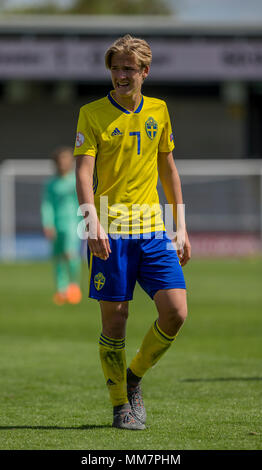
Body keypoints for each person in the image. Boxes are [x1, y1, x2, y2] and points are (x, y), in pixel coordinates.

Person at [74, 35, 191, 430]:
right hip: (109, 226)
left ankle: (134, 376)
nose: (120, 75)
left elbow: (168, 170)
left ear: (145, 71)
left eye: (128, 68)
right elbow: (83, 173)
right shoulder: (91, 113)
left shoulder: (160, 110)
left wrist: (181, 227)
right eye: (115, 68)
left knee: (176, 312)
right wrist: (91, 221)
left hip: (153, 229)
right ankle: (120, 404)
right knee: (116, 321)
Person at [41, 146, 82, 305]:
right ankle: (61, 289)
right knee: (58, 257)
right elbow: (47, 205)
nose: (63, 163)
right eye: (60, 160)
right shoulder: (51, 184)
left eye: (66, 160)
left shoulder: (76, 181)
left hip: (73, 223)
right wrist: (47, 223)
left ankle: (74, 286)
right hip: (56, 224)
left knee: (70, 254)